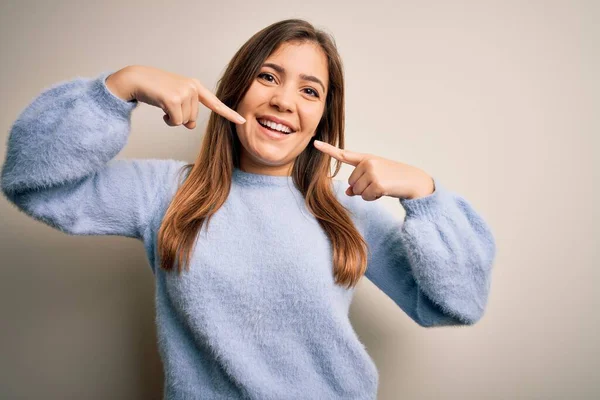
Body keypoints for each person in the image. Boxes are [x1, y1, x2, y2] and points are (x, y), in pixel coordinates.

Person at [0, 19, 496, 400]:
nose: (284, 101)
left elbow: (453, 305)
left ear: (322, 116)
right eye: (267, 76)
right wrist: (120, 86)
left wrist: (426, 197)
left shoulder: (347, 210)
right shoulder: (166, 192)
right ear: (235, 88)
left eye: (309, 90)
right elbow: (33, 184)